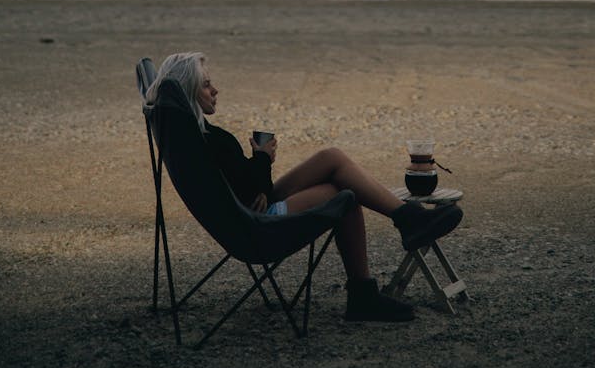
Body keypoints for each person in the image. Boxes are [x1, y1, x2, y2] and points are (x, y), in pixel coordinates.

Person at [145, 51, 463, 323]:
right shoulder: (211, 140)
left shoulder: (188, 134)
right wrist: (262, 157)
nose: (216, 90)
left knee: (332, 158)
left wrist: (257, 167)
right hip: (257, 224)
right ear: (188, 91)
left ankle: (408, 219)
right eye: (206, 84)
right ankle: (365, 293)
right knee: (344, 196)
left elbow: (247, 188)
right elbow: (251, 186)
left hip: (246, 209)